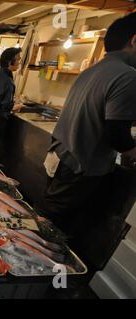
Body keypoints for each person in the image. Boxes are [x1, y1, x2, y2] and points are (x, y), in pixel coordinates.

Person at [38, 13, 136, 235]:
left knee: (48, 214)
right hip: (79, 164)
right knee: (53, 224)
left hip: (60, 154)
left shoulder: (91, 70)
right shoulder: (127, 75)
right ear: (134, 40)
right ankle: (38, 263)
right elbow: (118, 135)